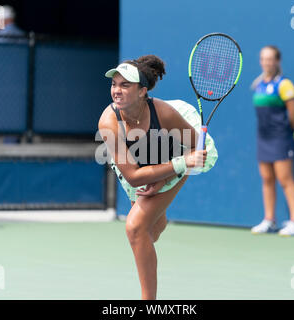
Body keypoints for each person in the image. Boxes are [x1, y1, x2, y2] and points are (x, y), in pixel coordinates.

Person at [98, 55, 217, 299]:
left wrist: (172, 171)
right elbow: (133, 176)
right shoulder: (108, 121)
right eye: (114, 84)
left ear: (143, 91)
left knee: (136, 228)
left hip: (180, 150)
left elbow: (195, 151)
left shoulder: (165, 113)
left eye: (125, 85)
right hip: (139, 163)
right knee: (152, 229)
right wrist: (161, 173)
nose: (117, 91)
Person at [250, 45, 294, 236]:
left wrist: (290, 130)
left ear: (277, 61)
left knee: (285, 179)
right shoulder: (258, 84)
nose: (266, 62)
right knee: (266, 178)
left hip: (281, 137)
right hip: (263, 137)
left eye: (270, 58)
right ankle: (269, 220)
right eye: (263, 58)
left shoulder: (284, 84)